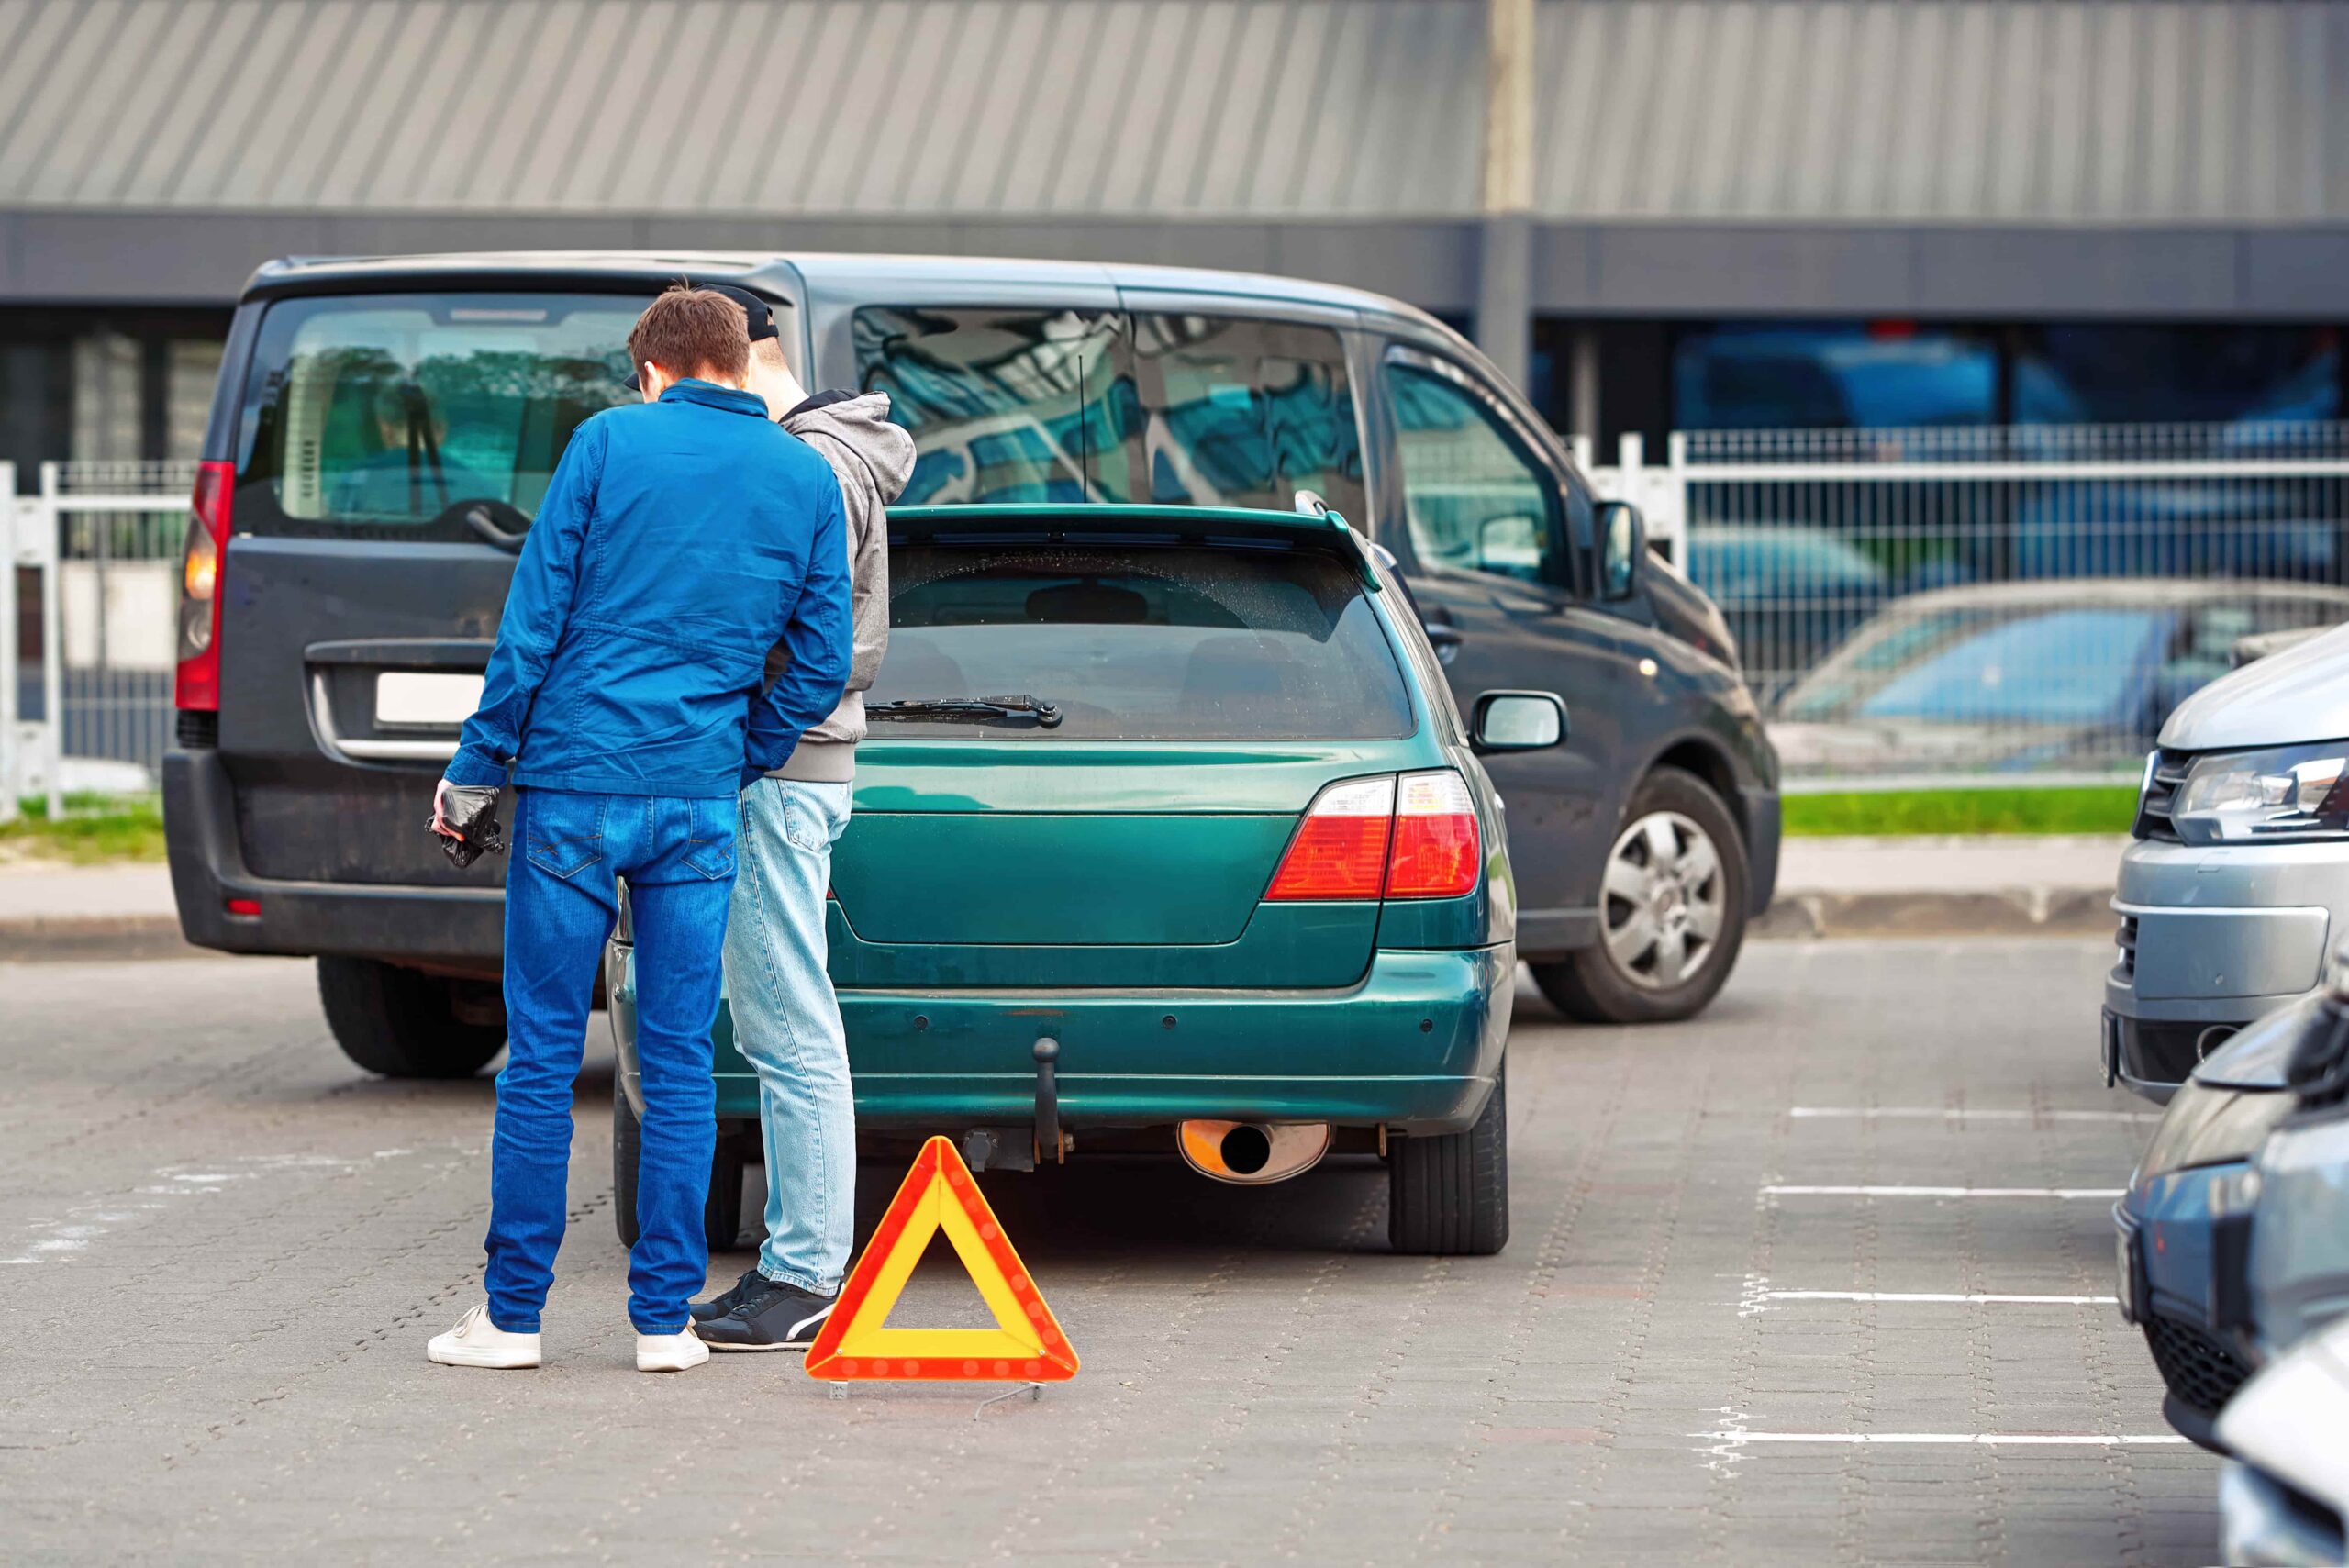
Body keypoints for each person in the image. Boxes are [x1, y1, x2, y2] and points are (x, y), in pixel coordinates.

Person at [423, 284, 851, 1374]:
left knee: (542, 1060)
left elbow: (534, 619)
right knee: (675, 1060)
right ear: (740, 365)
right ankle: (664, 1321)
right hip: (697, 799)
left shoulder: (608, 441)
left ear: (653, 368)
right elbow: (817, 660)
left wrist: (476, 771)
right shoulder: (806, 476)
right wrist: (733, 753)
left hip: (571, 784)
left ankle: (511, 1320)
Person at [685, 290, 915, 1351]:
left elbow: (793, 635)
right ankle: (799, 1260)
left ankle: (807, 1272)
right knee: (786, 1018)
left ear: (735, 360)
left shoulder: (808, 466)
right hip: (798, 764)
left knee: (787, 1022)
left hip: (781, 769)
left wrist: (740, 743)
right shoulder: (832, 450)